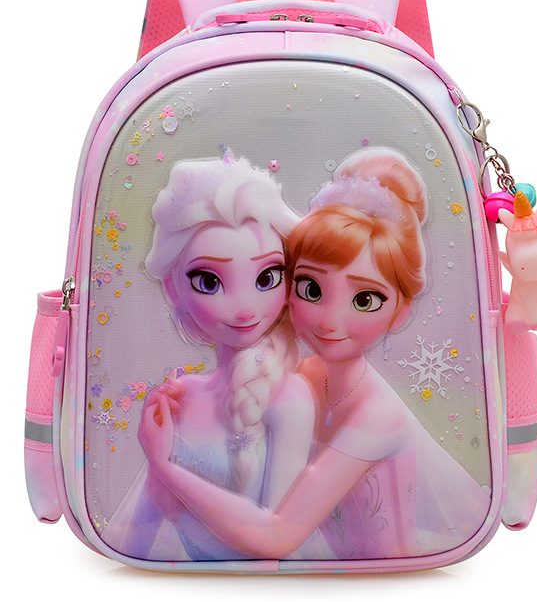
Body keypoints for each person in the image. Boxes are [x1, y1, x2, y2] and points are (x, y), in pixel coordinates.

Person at [140, 148, 490, 560]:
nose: (329, 320)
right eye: (311, 289)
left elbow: (278, 536)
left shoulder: (379, 415)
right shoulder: (301, 377)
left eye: (364, 299)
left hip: (388, 588)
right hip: (322, 578)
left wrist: (165, 467)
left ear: (401, 310)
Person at [103, 151, 319, 561]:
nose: (244, 309)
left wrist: (164, 467)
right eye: (208, 281)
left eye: (267, 277)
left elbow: (276, 542)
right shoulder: (180, 394)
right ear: (172, 288)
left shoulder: (288, 396)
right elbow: (137, 535)